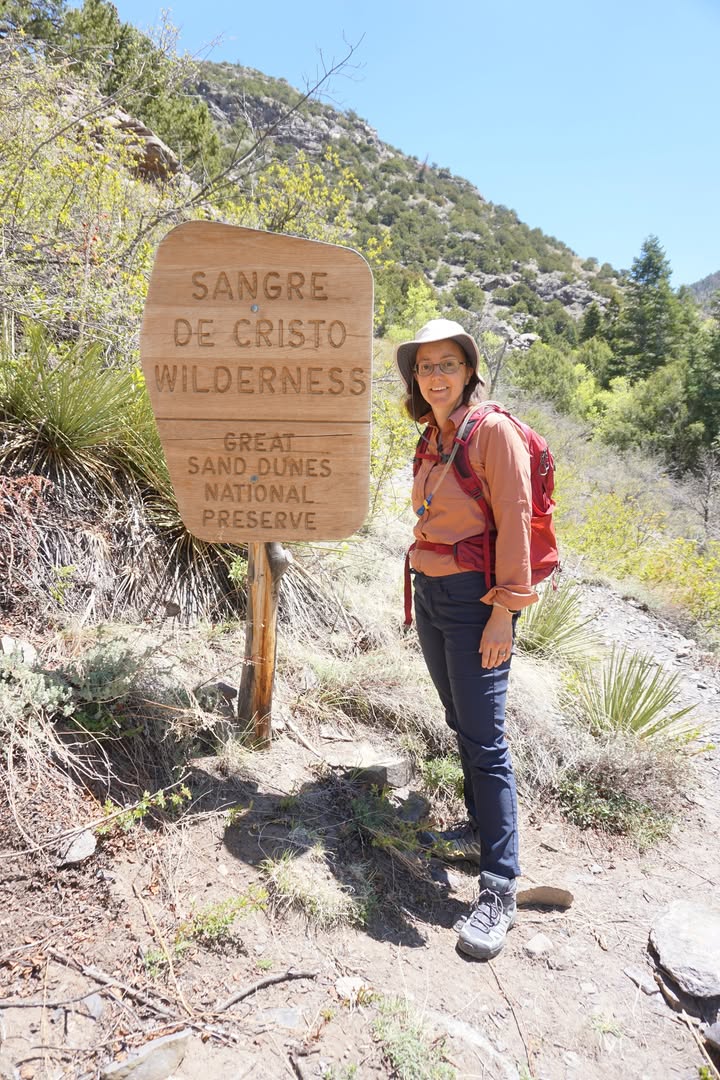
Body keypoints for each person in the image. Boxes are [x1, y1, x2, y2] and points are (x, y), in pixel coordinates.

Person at [395, 318, 538, 960]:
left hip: (477, 600)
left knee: (485, 740)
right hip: (430, 592)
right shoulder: (433, 435)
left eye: (446, 364)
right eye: (425, 367)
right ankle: (481, 827)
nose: (435, 377)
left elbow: (515, 521)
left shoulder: (494, 433)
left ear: (469, 369)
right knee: (459, 718)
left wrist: (505, 612)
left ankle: (499, 888)